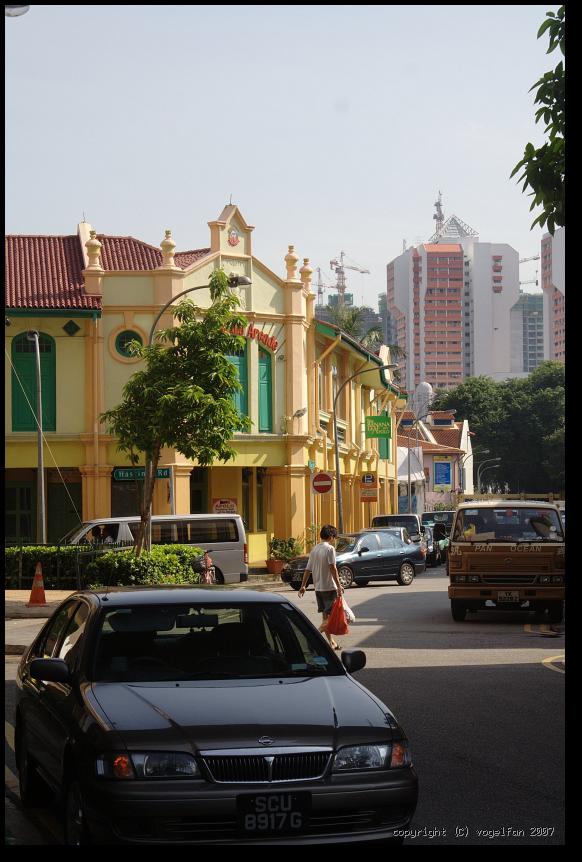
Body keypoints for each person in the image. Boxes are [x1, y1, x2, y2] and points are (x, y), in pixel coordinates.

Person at [298, 524, 344, 650]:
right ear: (331, 536)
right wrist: (339, 586)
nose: (334, 540)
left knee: (325, 618)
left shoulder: (314, 549)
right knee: (331, 619)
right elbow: (333, 568)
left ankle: (331, 643)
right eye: (334, 537)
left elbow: (307, 569)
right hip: (329, 588)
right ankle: (313, 638)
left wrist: (303, 586)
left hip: (318, 588)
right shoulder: (329, 549)